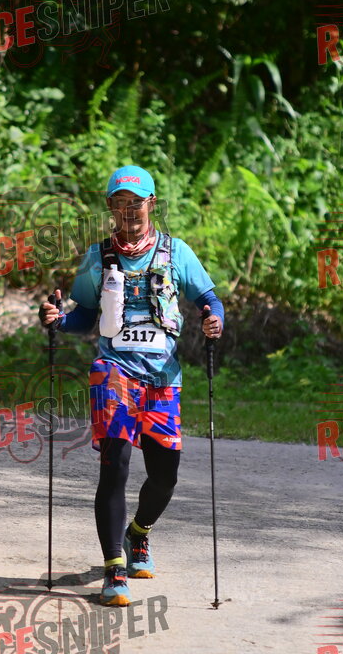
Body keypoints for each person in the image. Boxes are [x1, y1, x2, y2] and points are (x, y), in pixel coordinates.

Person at [40, 165, 224, 606]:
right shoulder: (98, 256)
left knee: (165, 476)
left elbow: (208, 299)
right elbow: (86, 315)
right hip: (113, 371)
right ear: (110, 207)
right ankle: (114, 568)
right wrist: (60, 320)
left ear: (151, 205)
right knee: (115, 464)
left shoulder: (176, 252)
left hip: (163, 378)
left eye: (136, 203)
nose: (129, 211)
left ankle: (138, 533)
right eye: (120, 203)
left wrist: (214, 319)